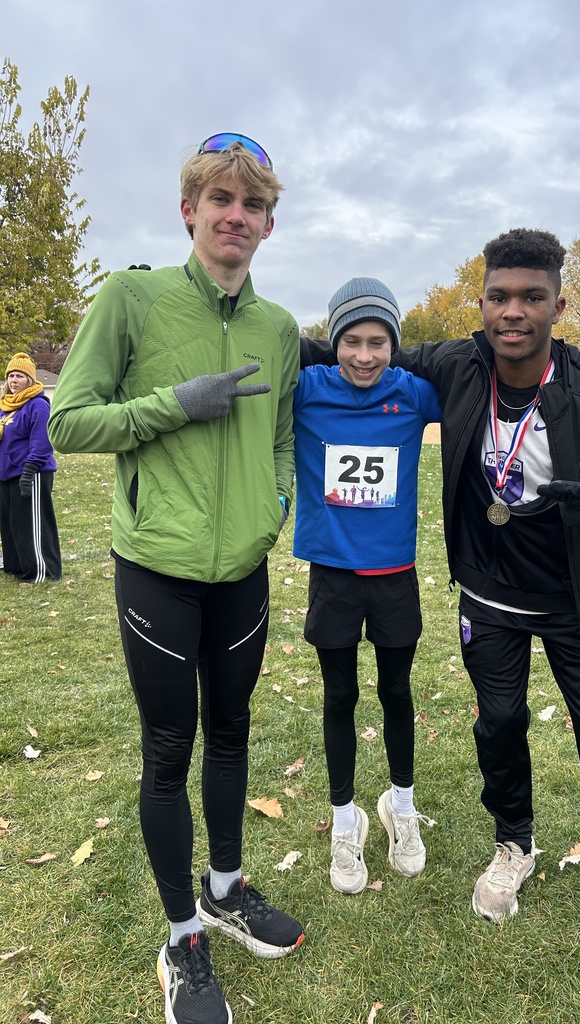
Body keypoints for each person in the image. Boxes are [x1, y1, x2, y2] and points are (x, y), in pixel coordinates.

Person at [49, 133, 304, 1024]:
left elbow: (280, 432)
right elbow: (67, 425)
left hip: (244, 569)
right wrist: (172, 406)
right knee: (171, 748)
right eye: (220, 200)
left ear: (270, 225)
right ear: (188, 209)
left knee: (232, 733)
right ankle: (180, 940)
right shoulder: (132, 298)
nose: (236, 216)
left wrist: (276, 500)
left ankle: (225, 889)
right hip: (156, 569)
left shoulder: (278, 328)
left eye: (253, 205)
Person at [395, 228, 580, 970]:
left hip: (572, 605)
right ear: (483, 302)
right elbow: (366, 346)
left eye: (531, 297)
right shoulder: (458, 369)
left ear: (559, 303)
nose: (513, 311)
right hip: (488, 597)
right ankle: (514, 844)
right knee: (498, 724)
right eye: (499, 296)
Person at [294, 278, 441, 895]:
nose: (363, 355)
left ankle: (400, 806)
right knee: (339, 696)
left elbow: (475, 376)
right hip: (333, 574)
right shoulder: (306, 391)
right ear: (333, 344)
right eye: (350, 341)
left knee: (396, 691)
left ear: (394, 346)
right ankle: (342, 817)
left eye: (377, 342)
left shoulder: (413, 395)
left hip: (394, 576)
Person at [0, 352, 61, 583]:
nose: (13, 380)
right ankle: (16, 566)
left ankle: (41, 570)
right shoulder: (5, 406)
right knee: (11, 523)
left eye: (19, 376)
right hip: (5, 474)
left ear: (30, 379)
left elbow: (42, 442)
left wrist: (29, 471)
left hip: (31, 473)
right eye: (11, 376)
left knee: (30, 524)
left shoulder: (38, 405)